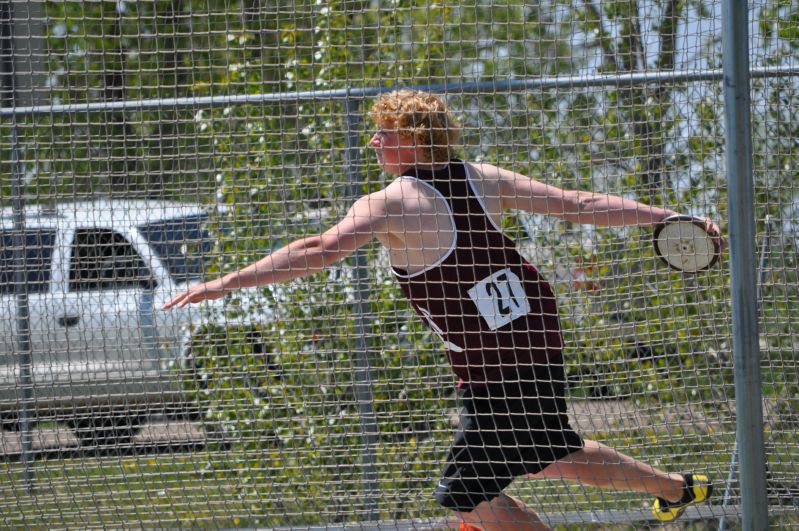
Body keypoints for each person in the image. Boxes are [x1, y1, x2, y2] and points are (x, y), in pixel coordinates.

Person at [162, 90, 721, 530]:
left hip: (498, 355)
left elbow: (319, 250)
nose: (374, 143)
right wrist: (667, 215)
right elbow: (578, 204)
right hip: (535, 330)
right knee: (549, 449)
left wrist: (227, 281)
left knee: (464, 493)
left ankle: (672, 488)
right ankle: (677, 487)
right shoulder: (481, 177)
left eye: (385, 133)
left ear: (415, 139)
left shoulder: (392, 201)